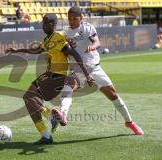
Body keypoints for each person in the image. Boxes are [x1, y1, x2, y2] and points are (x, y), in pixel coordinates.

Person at [51, 7, 144, 136]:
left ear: (81, 18)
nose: (71, 21)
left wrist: (93, 47)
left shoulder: (87, 28)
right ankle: (63, 115)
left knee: (113, 95)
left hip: (94, 68)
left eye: (75, 18)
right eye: (70, 18)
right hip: (78, 69)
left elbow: (97, 41)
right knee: (68, 86)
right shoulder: (65, 34)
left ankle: (130, 123)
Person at [5, 13, 94, 144]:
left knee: (29, 97)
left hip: (57, 76)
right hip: (49, 75)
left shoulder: (58, 38)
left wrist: (87, 74)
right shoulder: (47, 40)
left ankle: (51, 116)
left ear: (53, 24)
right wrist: (17, 50)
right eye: (43, 23)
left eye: (45, 23)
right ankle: (45, 135)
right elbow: (35, 51)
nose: (43, 26)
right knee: (30, 101)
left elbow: (75, 55)